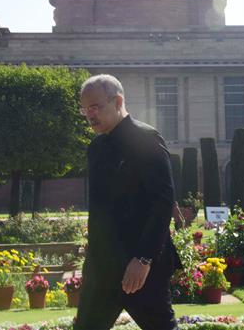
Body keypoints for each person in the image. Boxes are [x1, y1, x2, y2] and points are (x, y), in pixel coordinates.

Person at [74, 74, 180, 330]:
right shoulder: (96, 147)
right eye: (85, 109)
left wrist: (143, 259)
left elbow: (162, 201)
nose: (89, 115)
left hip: (141, 269)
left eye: (95, 107)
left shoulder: (146, 139)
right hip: (102, 270)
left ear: (118, 100)